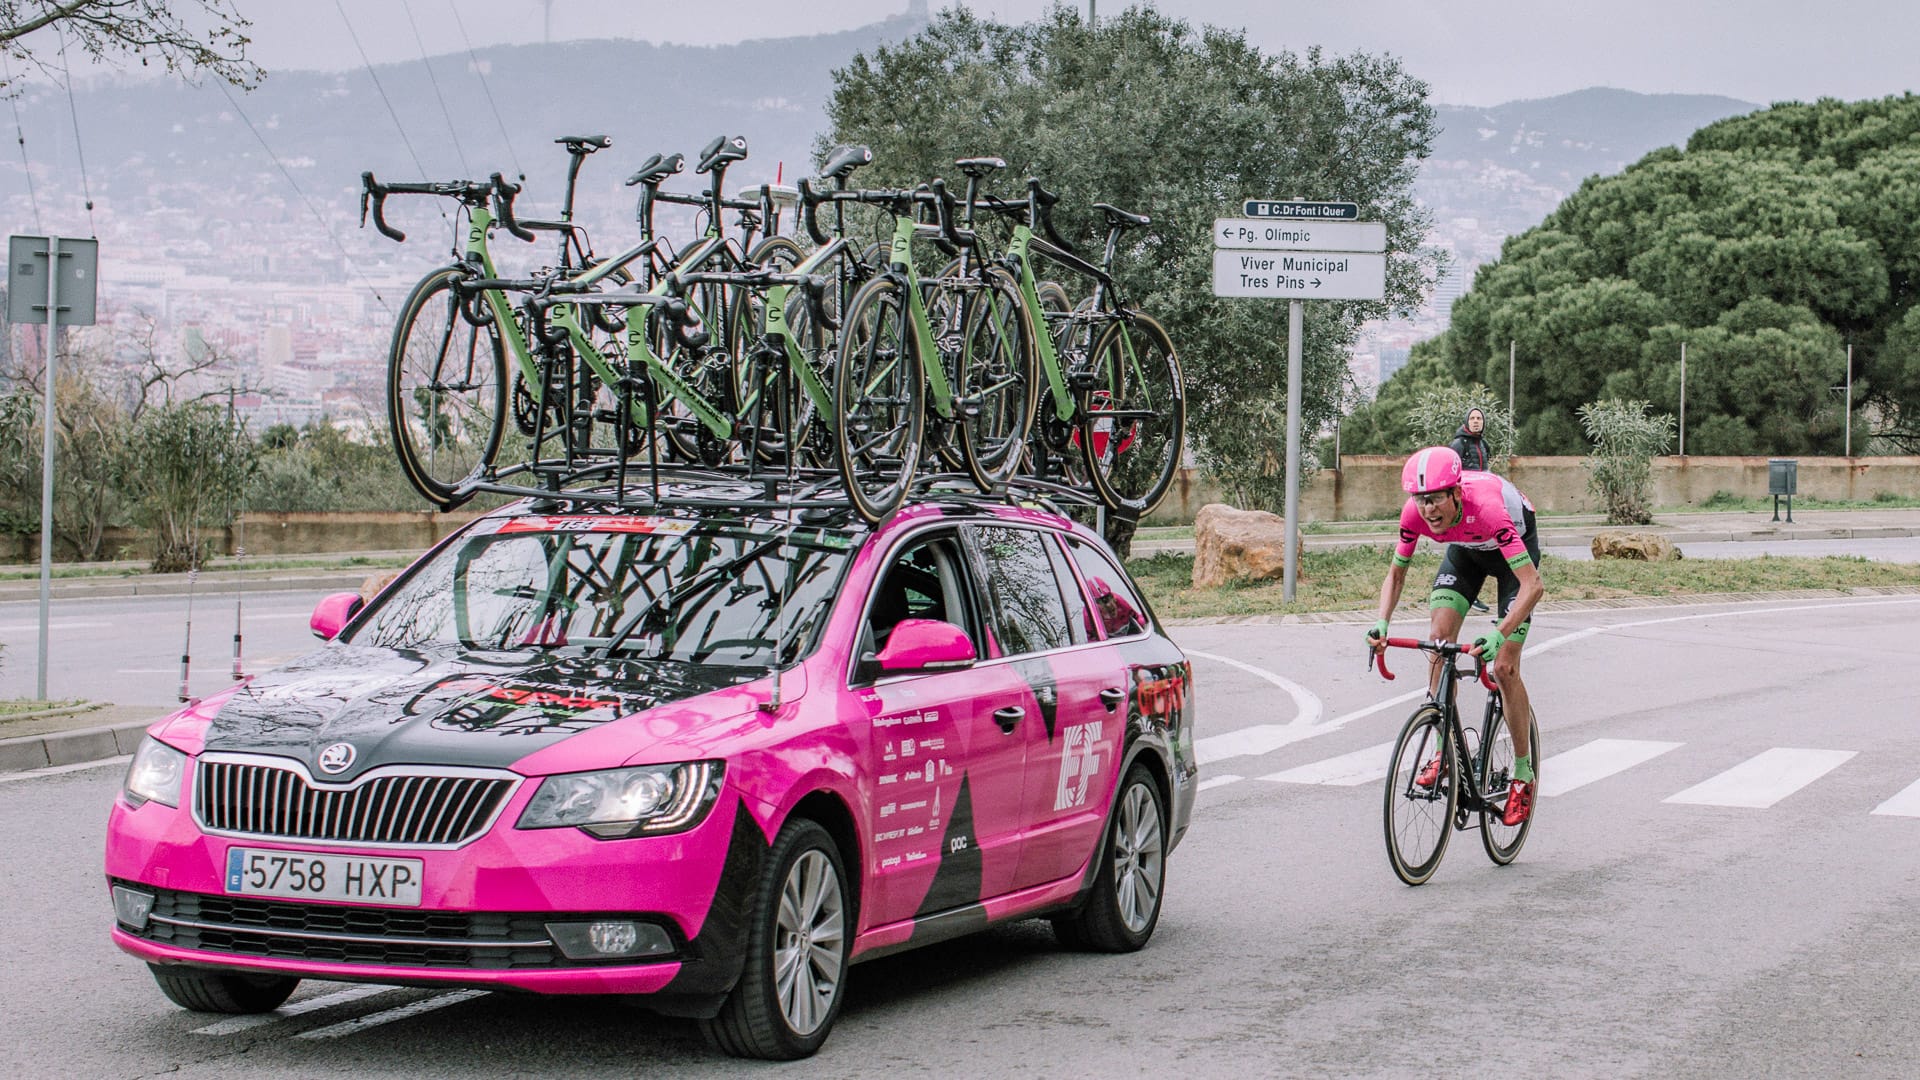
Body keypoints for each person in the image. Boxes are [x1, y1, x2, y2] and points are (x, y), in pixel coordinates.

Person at [1367, 445, 1544, 826]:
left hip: (1512, 557)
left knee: (1504, 667)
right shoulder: (1415, 514)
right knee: (1439, 638)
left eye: (1435, 500)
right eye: (1421, 500)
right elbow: (1396, 574)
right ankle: (1440, 748)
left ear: (1457, 494)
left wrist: (1499, 633)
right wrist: (1382, 621)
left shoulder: (1489, 509)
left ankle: (1523, 774)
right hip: (1466, 553)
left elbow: (1533, 587)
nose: (1427, 509)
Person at [1449, 407, 1491, 472]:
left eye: (1479, 418)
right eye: (1472, 418)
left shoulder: (1484, 443)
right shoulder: (1459, 444)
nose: (1475, 421)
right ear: (1467, 422)